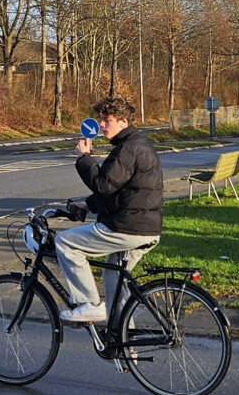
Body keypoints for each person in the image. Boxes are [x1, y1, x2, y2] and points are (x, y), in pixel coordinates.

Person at [55, 96, 163, 324]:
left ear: (123, 122)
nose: (102, 124)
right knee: (113, 277)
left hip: (127, 227)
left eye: (107, 120)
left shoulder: (129, 149)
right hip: (145, 227)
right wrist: (88, 205)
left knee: (65, 243)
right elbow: (117, 190)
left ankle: (89, 305)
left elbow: (103, 185)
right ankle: (124, 339)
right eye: (101, 119)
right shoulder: (135, 144)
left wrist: (83, 158)